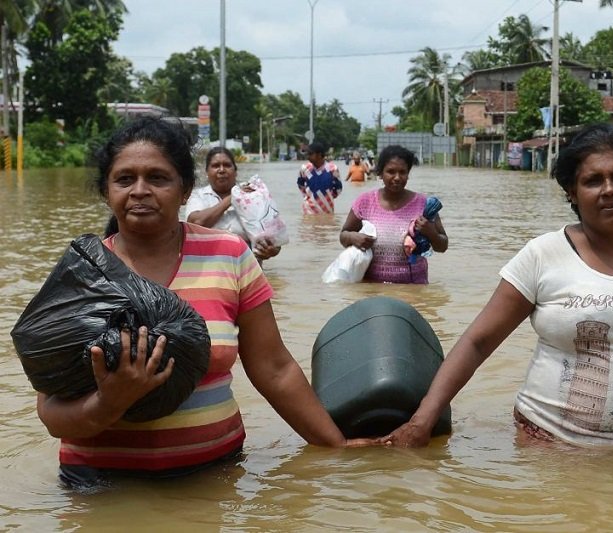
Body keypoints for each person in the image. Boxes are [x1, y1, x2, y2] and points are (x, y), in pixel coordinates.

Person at [380, 124, 613, 448]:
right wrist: (422, 421)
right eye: (593, 181)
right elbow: (478, 342)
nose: (609, 189)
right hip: (549, 444)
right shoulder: (544, 254)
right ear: (571, 192)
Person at [37, 118, 372, 488]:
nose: (140, 190)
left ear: (185, 190)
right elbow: (51, 414)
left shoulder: (229, 254)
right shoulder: (81, 273)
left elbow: (274, 369)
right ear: (106, 191)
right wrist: (109, 402)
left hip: (214, 479)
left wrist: (336, 447)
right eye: (125, 179)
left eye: (158, 178)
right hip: (100, 486)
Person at [339, 145, 448, 284]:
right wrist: (353, 237)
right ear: (380, 173)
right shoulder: (365, 202)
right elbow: (343, 236)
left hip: (413, 288)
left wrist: (431, 233)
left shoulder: (424, 205)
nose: (397, 177)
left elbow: (443, 246)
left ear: (408, 173)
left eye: (402, 172)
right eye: (391, 171)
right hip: (371, 289)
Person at [185, 146, 281, 263]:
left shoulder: (252, 195)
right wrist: (232, 198)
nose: (221, 170)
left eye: (227, 165)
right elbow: (195, 223)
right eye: (215, 166)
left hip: (248, 268)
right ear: (207, 172)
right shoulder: (198, 196)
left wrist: (271, 251)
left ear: (235, 171)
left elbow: (276, 239)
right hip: (208, 268)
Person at [297, 141, 342, 214]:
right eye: (307, 154)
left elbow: (338, 188)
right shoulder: (305, 168)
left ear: (319, 155)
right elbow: (300, 184)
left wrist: (329, 197)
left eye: (310, 154)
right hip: (309, 209)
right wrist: (306, 196)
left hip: (327, 208)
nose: (308, 157)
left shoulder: (332, 169)